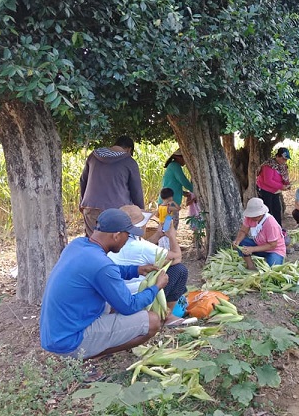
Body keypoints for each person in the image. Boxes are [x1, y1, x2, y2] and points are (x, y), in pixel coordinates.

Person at [40, 209, 168, 360]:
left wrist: (136, 270)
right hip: (70, 341)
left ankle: (92, 345)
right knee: (152, 321)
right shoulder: (102, 265)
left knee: (110, 302)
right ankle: (85, 357)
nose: (128, 240)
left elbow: (105, 272)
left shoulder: (78, 245)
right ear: (116, 236)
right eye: (127, 235)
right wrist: (156, 287)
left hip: (55, 334)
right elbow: (129, 306)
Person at [109, 205, 189, 327]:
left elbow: (143, 247)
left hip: (117, 296)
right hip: (139, 295)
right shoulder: (141, 247)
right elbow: (176, 257)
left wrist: (157, 235)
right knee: (179, 270)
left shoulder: (113, 242)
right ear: (139, 226)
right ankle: (166, 315)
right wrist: (172, 235)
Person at [80, 135, 145, 237]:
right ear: (128, 149)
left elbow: (83, 180)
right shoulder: (129, 162)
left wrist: (83, 203)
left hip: (90, 208)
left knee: (93, 243)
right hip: (117, 211)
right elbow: (136, 191)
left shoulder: (93, 156)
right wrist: (140, 211)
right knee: (114, 246)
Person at [232, 197, 286, 269]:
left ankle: (275, 258)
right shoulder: (249, 218)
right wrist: (237, 241)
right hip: (259, 244)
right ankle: (250, 265)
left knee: (273, 268)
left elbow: (272, 245)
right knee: (242, 242)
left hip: (274, 250)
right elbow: (243, 231)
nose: (252, 218)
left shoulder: (270, 223)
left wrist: (252, 249)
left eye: (255, 216)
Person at [158, 149, 194, 228]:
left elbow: (173, 184)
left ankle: (166, 238)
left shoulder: (173, 165)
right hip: (169, 202)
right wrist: (194, 190)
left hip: (165, 201)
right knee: (170, 227)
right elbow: (183, 180)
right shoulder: (175, 166)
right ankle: (169, 239)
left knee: (166, 227)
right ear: (179, 158)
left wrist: (183, 193)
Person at [256, 147, 291, 226]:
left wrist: (286, 184)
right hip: (265, 190)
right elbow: (268, 180)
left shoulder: (282, 166)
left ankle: (278, 228)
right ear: (277, 156)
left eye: (286, 159)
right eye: (283, 159)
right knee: (268, 210)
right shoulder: (268, 166)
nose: (285, 161)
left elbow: (283, 177)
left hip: (275, 191)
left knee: (277, 209)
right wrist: (281, 186)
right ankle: (268, 228)